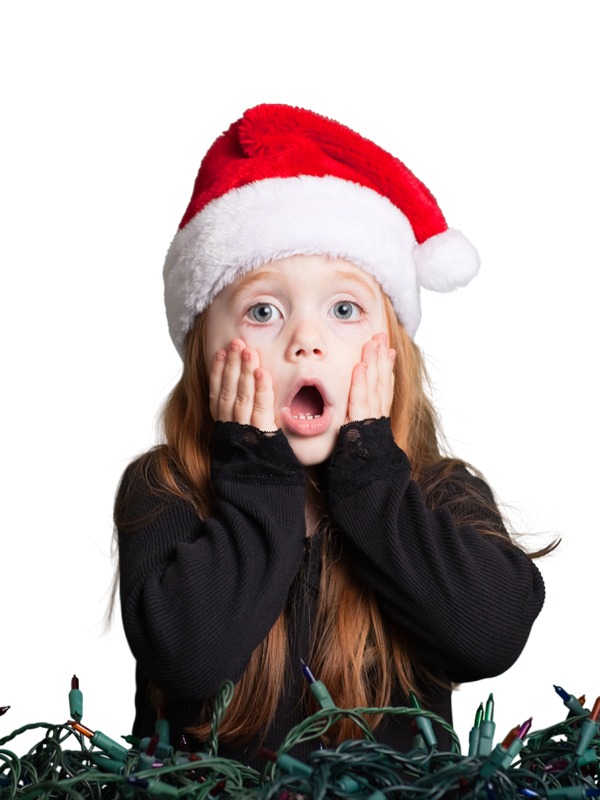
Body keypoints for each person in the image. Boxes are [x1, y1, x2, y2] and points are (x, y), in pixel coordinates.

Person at [114, 103, 547, 767]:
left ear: (392, 350)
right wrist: (256, 473)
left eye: (344, 309)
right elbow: (189, 658)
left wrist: (372, 481)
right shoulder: (165, 489)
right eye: (263, 310)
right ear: (204, 353)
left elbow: (488, 638)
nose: (305, 341)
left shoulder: (440, 492)